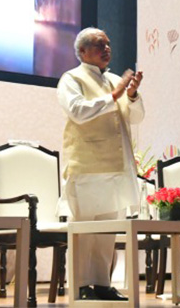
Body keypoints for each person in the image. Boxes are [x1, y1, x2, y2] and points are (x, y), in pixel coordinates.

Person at [56, 27, 144, 301]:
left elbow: (136, 117)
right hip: (86, 166)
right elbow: (78, 112)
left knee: (106, 230)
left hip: (115, 168)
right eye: (98, 45)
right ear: (82, 52)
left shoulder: (115, 80)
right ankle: (81, 285)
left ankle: (103, 284)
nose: (106, 49)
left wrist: (131, 96)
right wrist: (115, 96)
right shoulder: (71, 78)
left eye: (108, 44)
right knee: (84, 229)